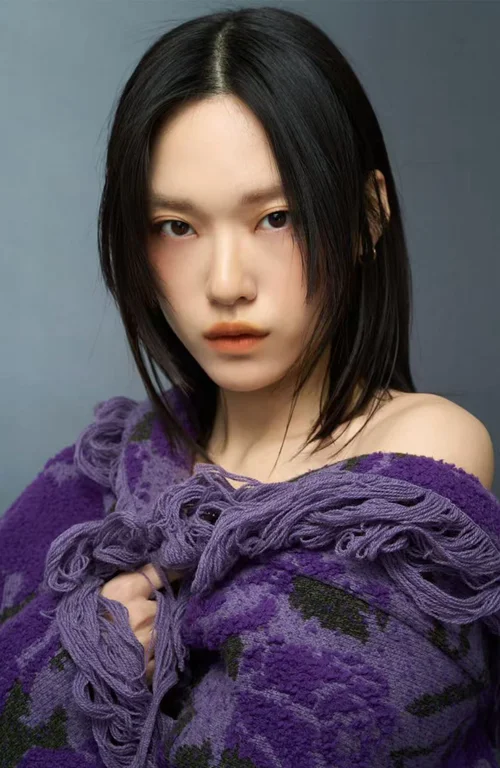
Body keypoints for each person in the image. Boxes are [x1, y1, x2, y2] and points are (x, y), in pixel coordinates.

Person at [1, 5, 498, 767]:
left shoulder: (415, 467)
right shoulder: (112, 459)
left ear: (368, 215)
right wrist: (90, 647)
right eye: (176, 226)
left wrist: (98, 661)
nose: (226, 284)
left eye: (276, 217)